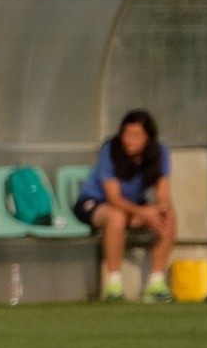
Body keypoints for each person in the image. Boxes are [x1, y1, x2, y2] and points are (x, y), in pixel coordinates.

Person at [75, 108, 177, 302]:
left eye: (136, 135)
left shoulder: (160, 152)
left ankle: (156, 284)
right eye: (126, 134)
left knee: (169, 216)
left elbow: (163, 193)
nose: (129, 140)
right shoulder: (110, 150)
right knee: (116, 217)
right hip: (95, 204)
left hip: (131, 207)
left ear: (148, 138)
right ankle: (114, 286)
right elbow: (113, 198)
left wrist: (162, 209)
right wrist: (145, 213)